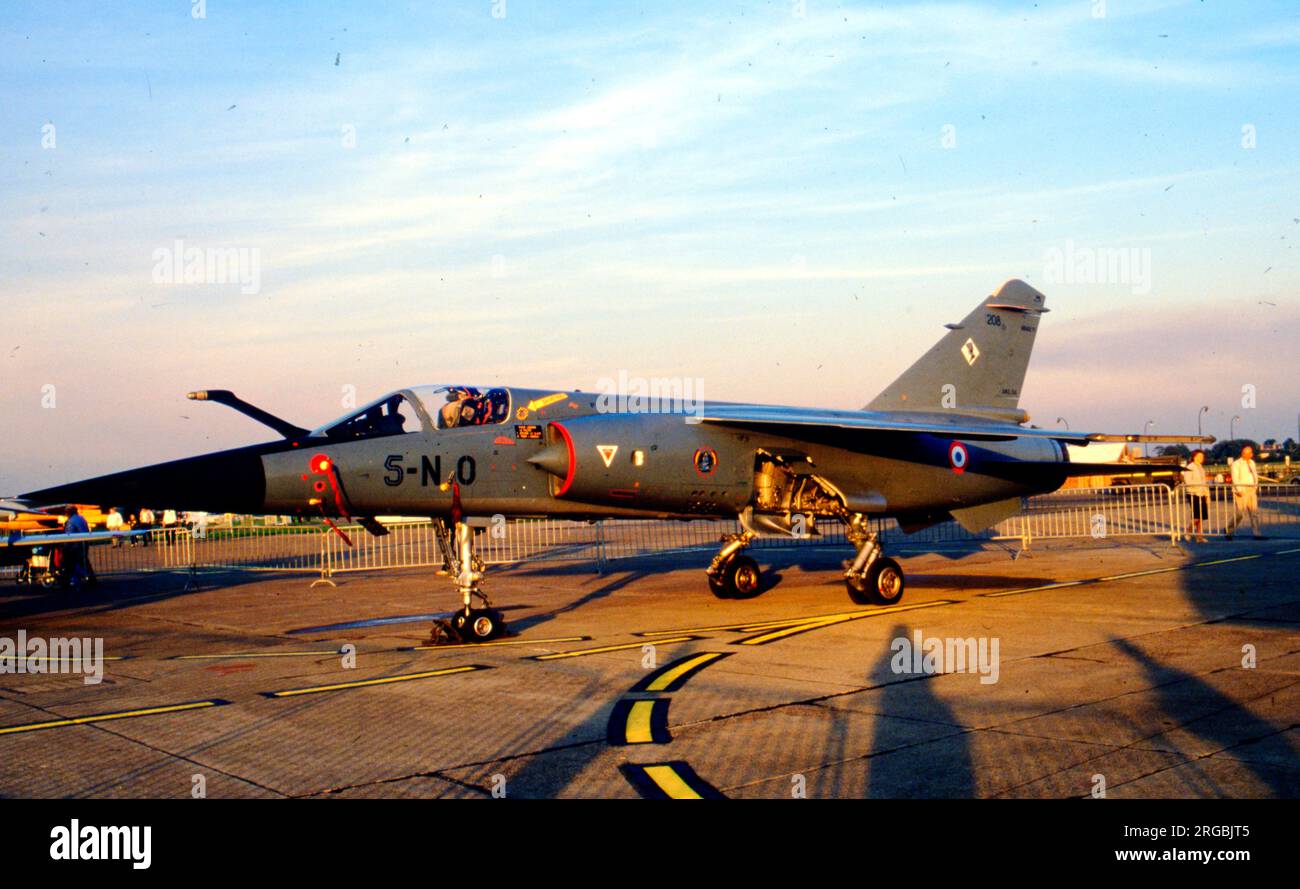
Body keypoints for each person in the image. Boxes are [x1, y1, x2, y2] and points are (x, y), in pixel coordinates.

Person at [1225, 445, 1263, 539]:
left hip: (1251, 489)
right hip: (1242, 490)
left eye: (1250, 453)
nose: (1250, 454)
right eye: (1247, 453)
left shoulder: (1252, 463)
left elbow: (1254, 475)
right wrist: (1239, 490)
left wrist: (1255, 486)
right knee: (1240, 514)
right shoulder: (1236, 464)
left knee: (1254, 513)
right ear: (1243, 453)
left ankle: (1257, 534)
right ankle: (1229, 530)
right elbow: (1235, 477)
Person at [1181, 450, 1210, 542]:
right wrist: (1198, 485)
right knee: (1196, 516)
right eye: (1199, 456)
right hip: (1193, 493)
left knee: (1201, 516)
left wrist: (1207, 495)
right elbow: (1188, 481)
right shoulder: (1190, 467)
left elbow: (1204, 482)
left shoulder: (1201, 467)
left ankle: (1199, 536)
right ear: (1194, 457)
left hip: (1201, 493)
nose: (1202, 458)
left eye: (1203, 456)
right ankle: (1188, 531)